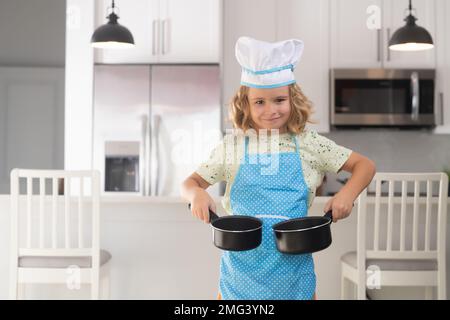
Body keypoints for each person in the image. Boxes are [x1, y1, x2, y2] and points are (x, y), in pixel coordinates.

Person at [181, 37, 376, 300]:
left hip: (294, 277)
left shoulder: (309, 143)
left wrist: (346, 195)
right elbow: (190, 183)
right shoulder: (233, 146)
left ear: (292, 100)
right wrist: (197, 195)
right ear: (246, 105)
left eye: (279, 100)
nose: (271, 110)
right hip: (240, 278)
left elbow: (365, 165)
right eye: (259, 102)